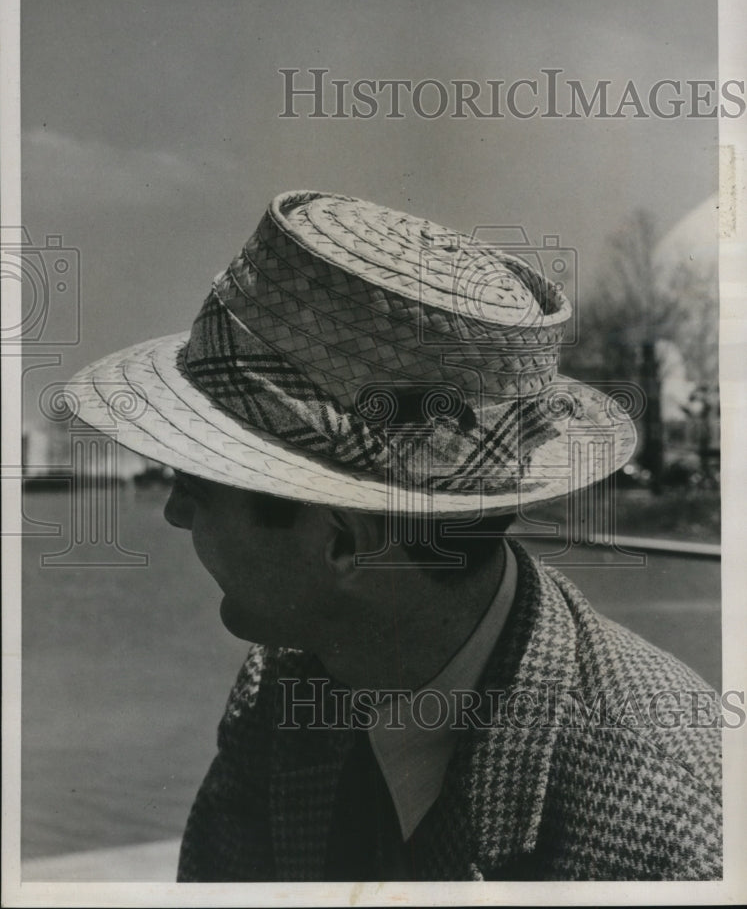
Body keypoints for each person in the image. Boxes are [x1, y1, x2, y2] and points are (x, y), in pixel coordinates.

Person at [66, 190, 721, 881]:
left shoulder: (672, 824)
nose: (172, 512)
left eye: (196, 488)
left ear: (345, 540)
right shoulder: (287, 683)